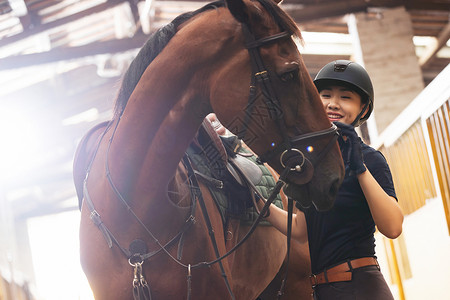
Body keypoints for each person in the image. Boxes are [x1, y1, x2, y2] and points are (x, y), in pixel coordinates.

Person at [257, 60, 404, 300]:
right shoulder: (308, 164)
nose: (333, 103)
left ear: (363, 109)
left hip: (360, 286)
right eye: (325, 95)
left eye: (345, 97)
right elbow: (302, 230)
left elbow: (393, 227)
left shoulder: (371, 159)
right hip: (321, 290)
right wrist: (260, 207)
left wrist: (360, 168)